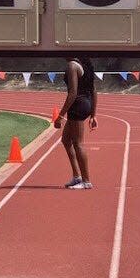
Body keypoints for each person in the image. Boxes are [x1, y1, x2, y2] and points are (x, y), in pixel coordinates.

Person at [53, 56, 97, 188]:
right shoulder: (86, 65)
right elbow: (94, 91)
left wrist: (60, 116)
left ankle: (86, 181)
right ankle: (77, 176)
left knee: (78, 143)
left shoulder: (72, 66)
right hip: (85, 103)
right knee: (66, 140)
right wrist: (93, 114)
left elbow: (72, 93)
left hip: (77, 106)